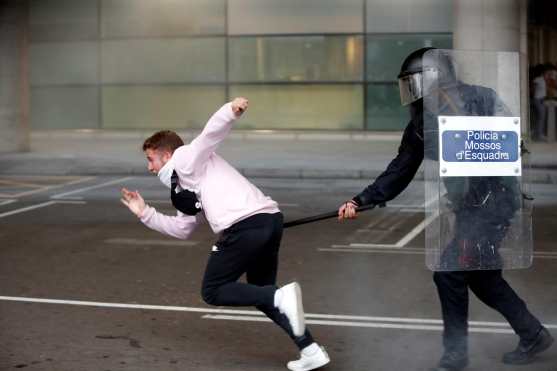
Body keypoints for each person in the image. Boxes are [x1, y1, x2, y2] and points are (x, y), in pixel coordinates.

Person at [337, 48, 554, 370]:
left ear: (437, 77)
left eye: (415, 82)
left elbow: (512, 144)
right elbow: (402, 167)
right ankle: (532, 334)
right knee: (483, 278)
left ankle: (455, 353)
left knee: (449, 273)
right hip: (469, 207)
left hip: (493, 203)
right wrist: (362, 199)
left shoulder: (480, 99)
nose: (411, 92)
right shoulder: (423, 122)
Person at [120, 97, 330, 371]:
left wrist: (230, 111)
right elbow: (183, 228)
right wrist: (144, 212)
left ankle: (281, 298)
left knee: (214, 290)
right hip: (268, 221)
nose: (149, 168)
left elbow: (209, 136)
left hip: (245, 226)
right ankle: (310, 349)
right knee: (262, 293)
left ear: (167, 154)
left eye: (151, 159)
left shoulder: (184, 160)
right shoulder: (184, 182)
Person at [531, 64, 548, 141]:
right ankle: (539, 134)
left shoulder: (544, 80)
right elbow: (533, 89)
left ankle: (536, 132)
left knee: (540, 118)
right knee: (541, 117)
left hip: (542, 100)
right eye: (546, 73)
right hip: (538, 100)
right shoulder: (537, 79)